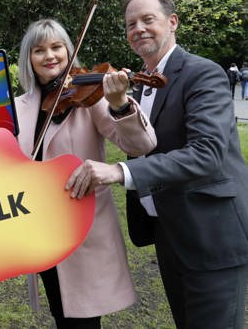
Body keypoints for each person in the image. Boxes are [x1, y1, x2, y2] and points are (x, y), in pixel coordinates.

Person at [66, 0, 248, 328]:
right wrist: (120, 105)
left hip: (211, 233)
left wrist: (120, 170)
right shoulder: (138, 85)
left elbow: (206, 154)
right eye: (130, 24)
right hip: (170, 232)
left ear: (172, 22)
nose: (138, 29)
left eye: (147, 19)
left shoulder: (203, 74)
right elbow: (144, 143)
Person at [15, 19, 157, 328]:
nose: (50, 56)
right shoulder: (20, 107)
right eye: (39, 50)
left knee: (83, 321)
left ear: (69, 51)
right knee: (60, 312)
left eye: (56, 47)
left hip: (82, 229)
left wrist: (119, 103)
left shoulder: (89, 99)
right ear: (29, 59)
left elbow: (141, 143)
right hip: (41, 231)